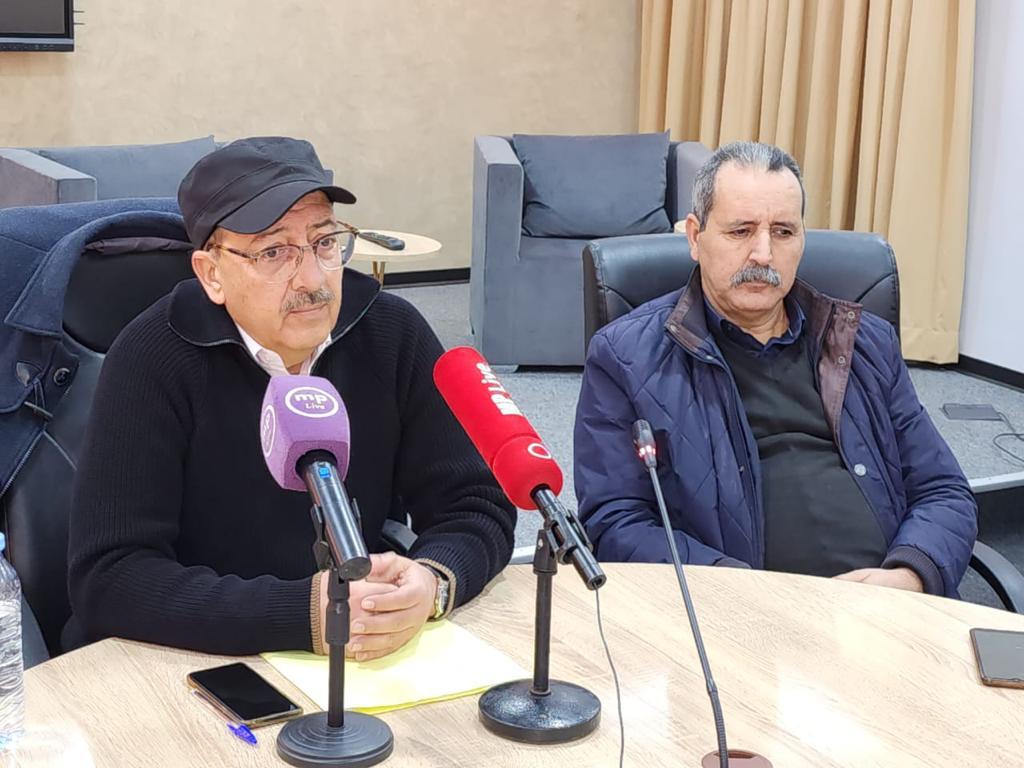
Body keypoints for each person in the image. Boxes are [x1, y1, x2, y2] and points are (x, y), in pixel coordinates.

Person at [65, 137, 516, 658]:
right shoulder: (153, 356)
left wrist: (435, 579)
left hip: (360, 652)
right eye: (274, 252)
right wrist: (301, 614)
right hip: (188, 658)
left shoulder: (390, 333)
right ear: (212, 274)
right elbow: (110, 577)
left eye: (325, 242)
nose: (312, 279)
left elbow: (476, 504)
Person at [573, 141, 976, 597]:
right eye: (741, 231)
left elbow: (943, 489)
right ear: (695, 237)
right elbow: (617, 522)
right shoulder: (626, 356)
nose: (763, 254)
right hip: (738, 613)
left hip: (891, 607)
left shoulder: (865, 342)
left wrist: (911, 573)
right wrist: (751, 594)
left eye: (783, 232)